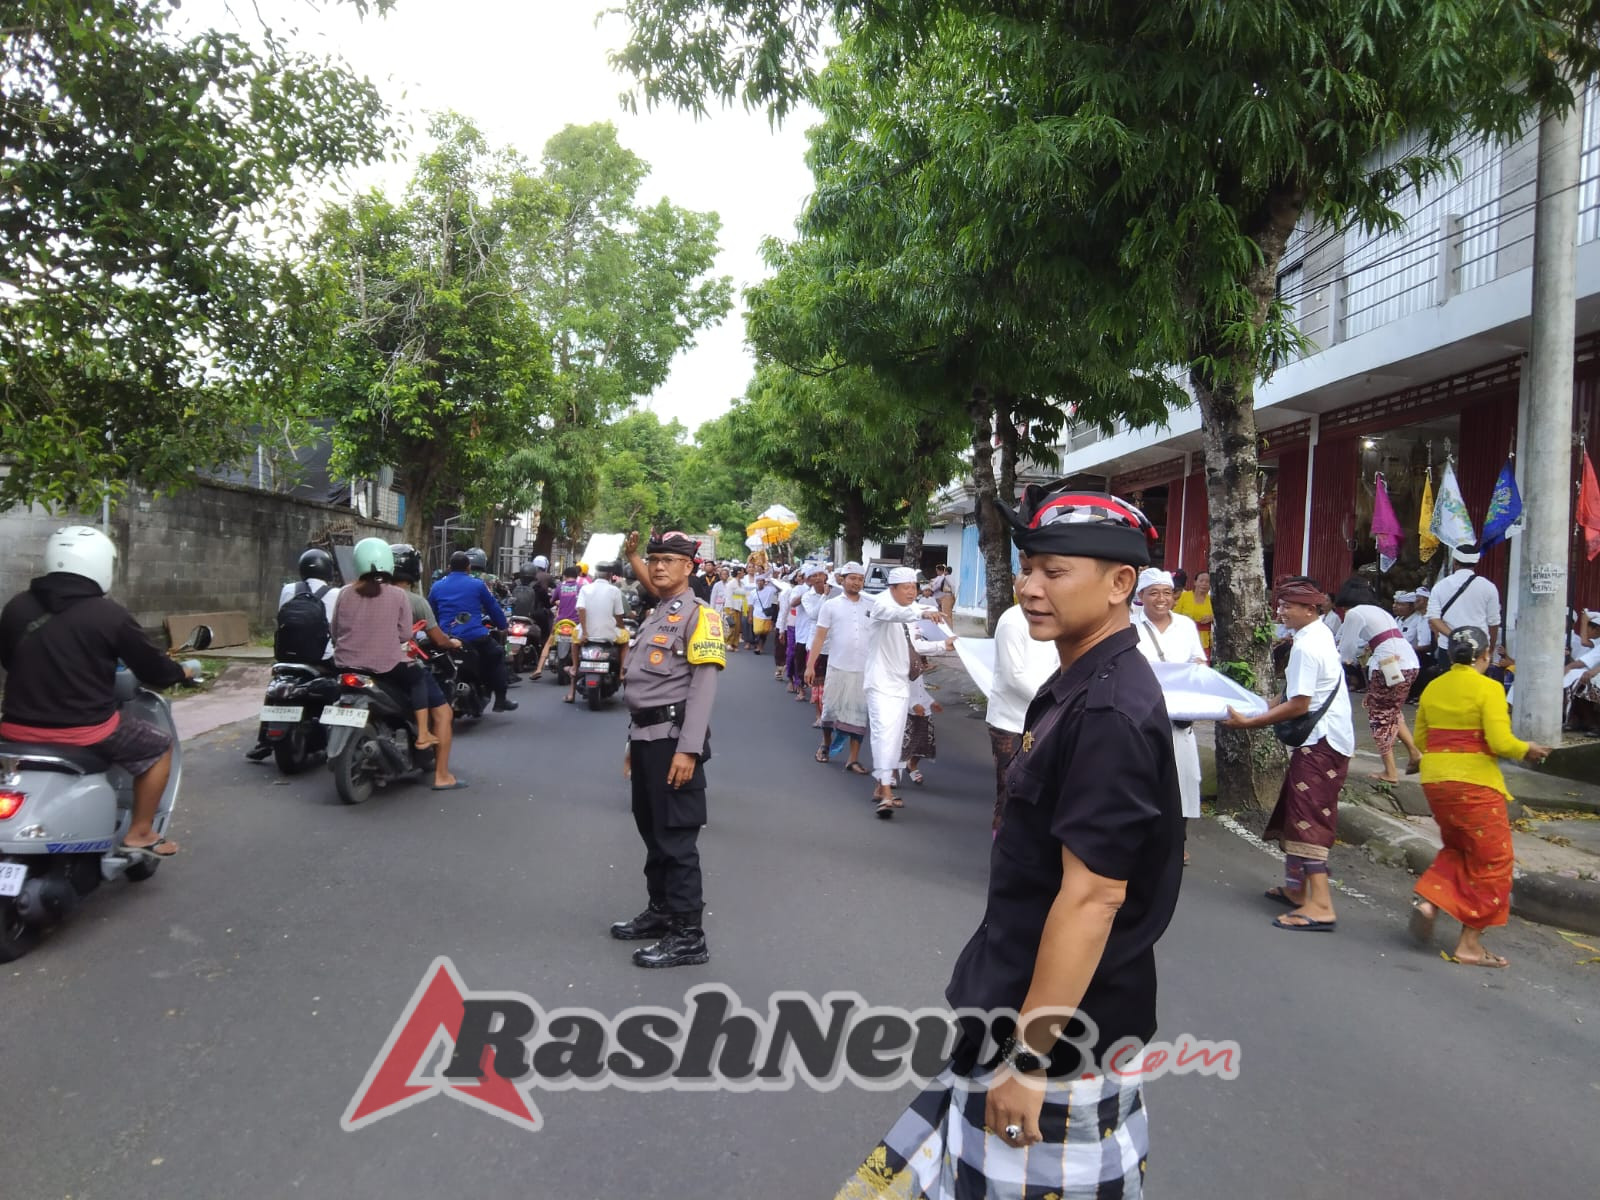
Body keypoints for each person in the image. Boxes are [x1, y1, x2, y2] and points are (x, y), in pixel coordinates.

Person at [835, 484, 1181, 1199]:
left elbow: (1092, 898)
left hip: (1057, 1041)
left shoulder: (1111, 709)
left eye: (1055, 572)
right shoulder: (1078, 681)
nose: (1029, 588)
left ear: (1121, 584)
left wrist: (1028, 1063)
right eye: (1029, 570)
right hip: (1016, 1011)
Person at [0, 525, 192, 858]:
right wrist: (181, 672)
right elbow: (153, 670)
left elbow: (8, 659)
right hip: (84, 730)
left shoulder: (16, 607)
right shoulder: (110, 616)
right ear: (101, 564)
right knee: (159, 749)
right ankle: (141, 833)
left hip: (13, 728)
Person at [611, 530, 724, 969]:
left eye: (669, 560)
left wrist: (688, 750)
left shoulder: (702, 616)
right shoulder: (659, 611)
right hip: (645, 739)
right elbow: (643, 688)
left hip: (675, 742)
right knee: (651, 832)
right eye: (654, 559)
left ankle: (688, 935)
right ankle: (661, 912)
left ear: (689, 567)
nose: (658, 566)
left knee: (676, 840)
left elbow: (702, 686)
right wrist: (631, 740)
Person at [1409, 627, 1552, 967]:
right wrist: (1527, 749)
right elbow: (1502, 744)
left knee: (1459, 847)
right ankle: (1470, 945)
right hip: (1474, 785)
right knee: (1493, 862)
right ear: (1484, 656)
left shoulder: (1433, 686)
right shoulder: (1488, 688)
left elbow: (1422, 739)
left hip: (1436, 781)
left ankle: (1430, 901)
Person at [1224, 576, 1354, 932]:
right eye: (1280, 604)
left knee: (1308, 819)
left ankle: (1322, 905)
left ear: (1309, 609)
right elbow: (1293, 694)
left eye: (1287, 606)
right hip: (1328, 739)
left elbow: (1299, 703)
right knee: (1296, 811)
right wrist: (1259, 709)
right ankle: (1297, 890)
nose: (1280, 611)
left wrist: (1253, 723)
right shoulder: (1319, 634)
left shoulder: (1306, 647)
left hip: (1320, 743)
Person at [332, 539, 438, 749]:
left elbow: (335, 631)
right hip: (384, 666)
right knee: (417, 678)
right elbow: (405, 634)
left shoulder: (344, 592)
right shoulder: (398, 595)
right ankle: (423, 733)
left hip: (345, 664)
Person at [863, 567, 952, 817]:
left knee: (893, 739)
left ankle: (882, 786)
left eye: (914, 587)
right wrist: (923, 611)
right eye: (907, 587)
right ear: (892, 589)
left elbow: (915, 644)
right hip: (880, 684)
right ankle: (887, 791)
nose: (912, 591)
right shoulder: (881, 605)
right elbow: (894, 613)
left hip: (902, 685)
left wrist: (943, 644)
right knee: (884, 735)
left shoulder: (911, 612)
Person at [1133, 568, 1207, 864]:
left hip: (1179, 716)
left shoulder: (1186, 626)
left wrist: (1197, 670)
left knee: (1184, 778)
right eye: (1153, 593)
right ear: (1141, 597)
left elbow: (1198, 660)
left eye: (1166, 593)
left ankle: (1177, 842)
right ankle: (1141, 839)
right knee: (1141, 776)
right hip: (1141, 711)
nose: (1161, 599)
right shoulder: (1129, 625)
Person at [246, 547, 343, 760]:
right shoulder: (336, 594)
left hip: (287, 657)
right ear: (328, 571)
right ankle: (335, 737)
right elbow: (339, 627)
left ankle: (263, 741)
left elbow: (281, 617)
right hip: (321, 659)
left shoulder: (288, 589)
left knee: (274, 686)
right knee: (339, 686)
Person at [389, 544, 465, 790]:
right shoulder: (414, 601)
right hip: (401, 664)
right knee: (443, 713)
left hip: (361, 664)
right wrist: (451, 642)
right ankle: (441, 775)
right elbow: (437, 638)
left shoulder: (361, 594)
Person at [1333, 578, 1423, 782]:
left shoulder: (1354, 613)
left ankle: (1390, 771)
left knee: (1379, 716)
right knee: (1392, 711)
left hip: (1388, 665)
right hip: (1409, 662)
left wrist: (1339, 660)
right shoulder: (1379, 611)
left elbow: (1346, 650)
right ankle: (1414, 753)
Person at [985, 598, 1060, 833]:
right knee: (1010, 788)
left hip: (1045, 717)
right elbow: (1012, 676)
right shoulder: (1012, 621)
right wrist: (1052, 699)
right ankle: (1003, 851)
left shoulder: (1056, 618)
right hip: (1011, 720)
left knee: (1042, 789)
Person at [428, 551, 516, 712]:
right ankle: (501, 699)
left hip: (445, 637)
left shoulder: (437, 586)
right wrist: (502, 624)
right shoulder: (477, 584)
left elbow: (431, 612)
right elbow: (493, 607)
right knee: (497, 654)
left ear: (449, 567)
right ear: (468, 568)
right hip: (474, 636)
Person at [807, 563, 872, 773]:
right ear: (842, 580)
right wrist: (810, 666)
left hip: (863, 670)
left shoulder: (871, 606)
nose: (856, 582)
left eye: (860, 579)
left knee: (859, 714)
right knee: (830, 711)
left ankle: (853, 759)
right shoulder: (831, 605)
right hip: (837, 667)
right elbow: (819, 637)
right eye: (852, 578)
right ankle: (825, 744)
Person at [1426, 545, 1502, 666]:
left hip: (1449, 648)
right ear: (1475, 563)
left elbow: (1434, 618)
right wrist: (1491, 648)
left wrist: (1455, 636)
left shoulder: (1440, 586)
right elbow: (1494, 622)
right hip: (1479, 648)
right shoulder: (1488, 586)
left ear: (1455, 562)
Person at [567, 562, 626, 703]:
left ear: (596, 574)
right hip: (609, 634)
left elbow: (580, 609)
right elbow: (619, 615)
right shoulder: (615, 591)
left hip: (586, 633)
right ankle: (622, 671)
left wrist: (585, 632)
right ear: (611, 575)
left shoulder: (585, 589)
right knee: (626, 640)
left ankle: (574, 669)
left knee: (574, 641)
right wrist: (622, 627)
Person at [1173, 569, 1215, 660]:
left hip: (1204, 642)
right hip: (1184, 639)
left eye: (1207, 582)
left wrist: (1212, 617)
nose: (1204, 584)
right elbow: (1173, 616)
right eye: (1201, 581)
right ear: (1195, 582)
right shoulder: (1185, 596)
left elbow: (1219, 619)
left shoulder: (1212, 600)